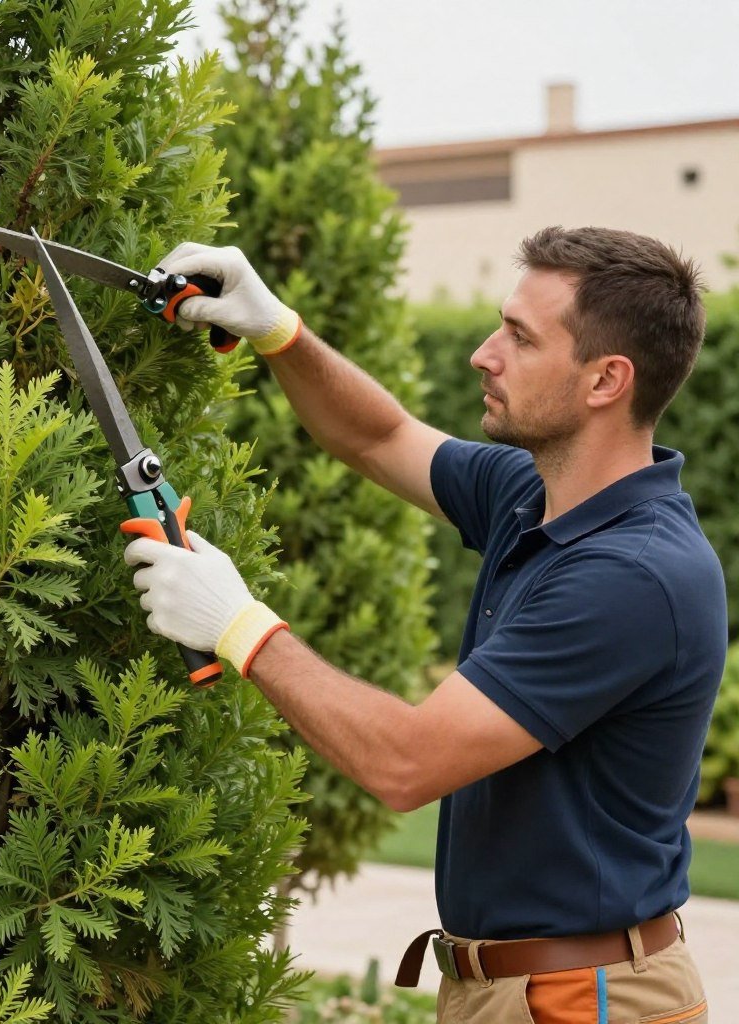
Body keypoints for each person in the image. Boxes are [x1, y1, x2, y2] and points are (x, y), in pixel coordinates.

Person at [123, 226, 724, 1024]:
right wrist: (278, 331)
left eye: (519, 337)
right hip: (513, 985)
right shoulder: (535, 495)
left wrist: (239, 626)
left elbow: (406, 764)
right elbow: (380, 436)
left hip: (583, 999)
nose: (483, 353)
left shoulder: (631, 578)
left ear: (606, 380)